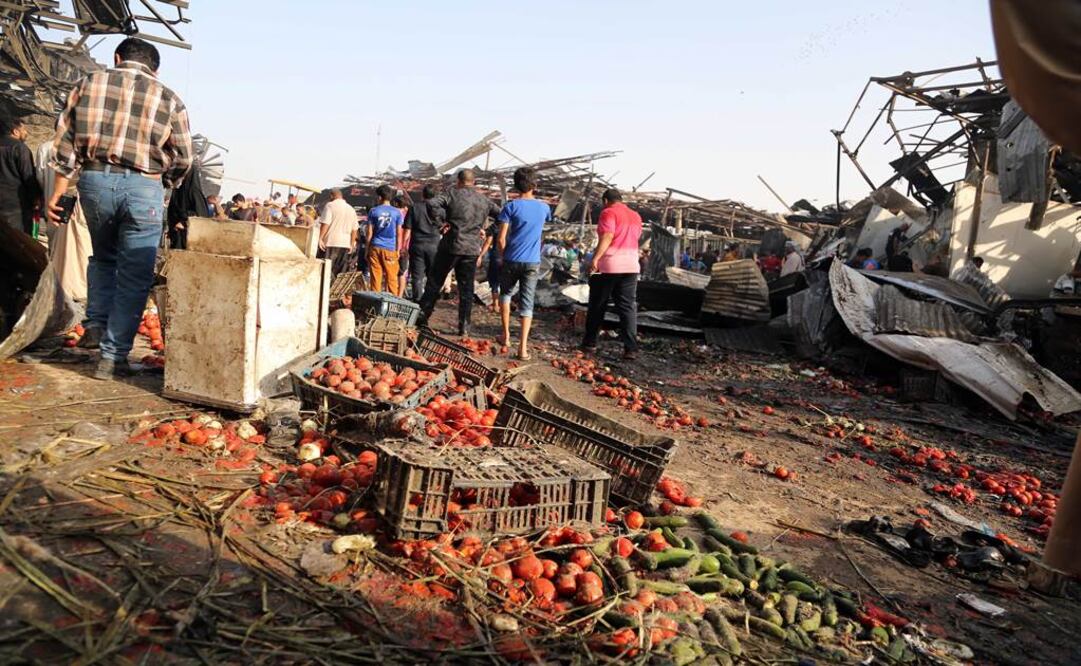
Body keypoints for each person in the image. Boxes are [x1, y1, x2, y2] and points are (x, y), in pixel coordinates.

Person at [46, 37, 192, 380]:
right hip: (144, 186)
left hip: (94, 181)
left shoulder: (87, 84)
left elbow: (64, 143)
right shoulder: (169, 97)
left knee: (102, 257)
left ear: (117, 57)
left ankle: (95, 323)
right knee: (134, 275)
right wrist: (165, 180)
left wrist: (56, 194)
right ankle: (112, 358)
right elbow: (185, 156)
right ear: (155, 69)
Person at [418, 169, 501, 337]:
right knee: (467, 289)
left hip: (451, 245)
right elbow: (503, 214)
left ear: (458, 181)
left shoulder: (451, 194)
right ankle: (464, 327)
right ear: (474, 182)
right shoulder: (483, 199)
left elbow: (431, 204)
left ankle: (422, 319)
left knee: (434, 282)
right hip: (471, 248)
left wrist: (441, 223)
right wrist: (489, 230)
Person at [496, 166, 550, 360]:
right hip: (532, 262)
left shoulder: (510, 207)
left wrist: (502, 256)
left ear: (515, 185)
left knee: (506, 295)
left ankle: (506, 335)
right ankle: (523, 349)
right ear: (534, 185)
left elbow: (501, 238)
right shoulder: (544, 207)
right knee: (527, 303)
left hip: (511, 258)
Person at [582, 189, 642, 360]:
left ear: (605, 200)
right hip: (631, 265)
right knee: (627, 307)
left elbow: (608, 235)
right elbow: (635, 238)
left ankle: (590, 343)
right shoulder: (635, 215)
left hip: (609, 265)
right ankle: (631, 348)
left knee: (597, 305)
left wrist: (595, 258)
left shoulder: (608, 212)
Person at [0, 115, 42, 235]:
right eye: (24, 130)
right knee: (17, 242)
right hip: (16, 206)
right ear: (15, 131)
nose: (26, 133)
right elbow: (28, 176)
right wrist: (36, 198)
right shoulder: (19, 148)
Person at [404, 184, 442, 302]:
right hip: (434, 246)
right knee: (433, 275)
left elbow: (407, 230)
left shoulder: (414, 208)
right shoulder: (440, 210)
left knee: (417, 276)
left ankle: (417, 300)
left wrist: (404, 247)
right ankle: (430, 300)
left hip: (417, 245)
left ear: (423, 194)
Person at [366, 185, 404, 293]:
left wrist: (367, 250)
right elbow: (399, 233)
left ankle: (374, 305)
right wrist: (397, 250)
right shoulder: (397, 212)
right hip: (390, 249)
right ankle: (393, 305)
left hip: (375, 247)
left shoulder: (373, 211)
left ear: (379, 197)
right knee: (392, 279)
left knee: (375, 279)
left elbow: (369, 233)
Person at [318, 188, 358, 279]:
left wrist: (320, 238)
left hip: (331, 243)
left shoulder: (330, 205)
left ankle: (327, 292)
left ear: (332, 196)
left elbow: (325, 223)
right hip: (345, 244)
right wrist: (351, 244)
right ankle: (336, 292)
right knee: (340, 273)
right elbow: (355, 229)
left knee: (326, 271)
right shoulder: (351, 209)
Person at [391, 194, 410, 297]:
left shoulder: (393, 214)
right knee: (402, 273)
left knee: (391, 272)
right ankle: (400, 295)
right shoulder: (409, 214)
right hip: (405, 247)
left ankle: (390, 293)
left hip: (393, 245)